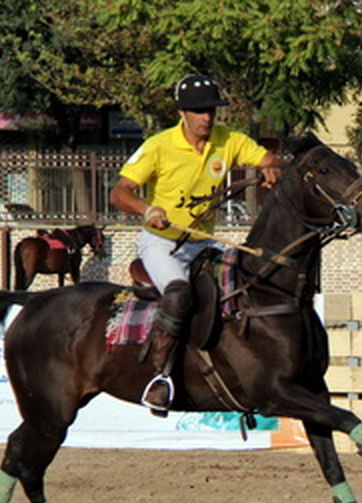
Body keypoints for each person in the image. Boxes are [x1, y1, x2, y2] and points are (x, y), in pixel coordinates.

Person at [110, 74, 284, 415]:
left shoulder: (228, 140)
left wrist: (271, 169)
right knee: (179, 294)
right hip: (163, 243)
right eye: (199, 111)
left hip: (203, 244)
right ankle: (160, 379)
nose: (207, 117)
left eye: (211, 110)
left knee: (250, 279)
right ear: (182, 112)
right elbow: (119, 192)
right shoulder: (159, 146)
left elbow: (268, 159)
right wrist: (148, 209)